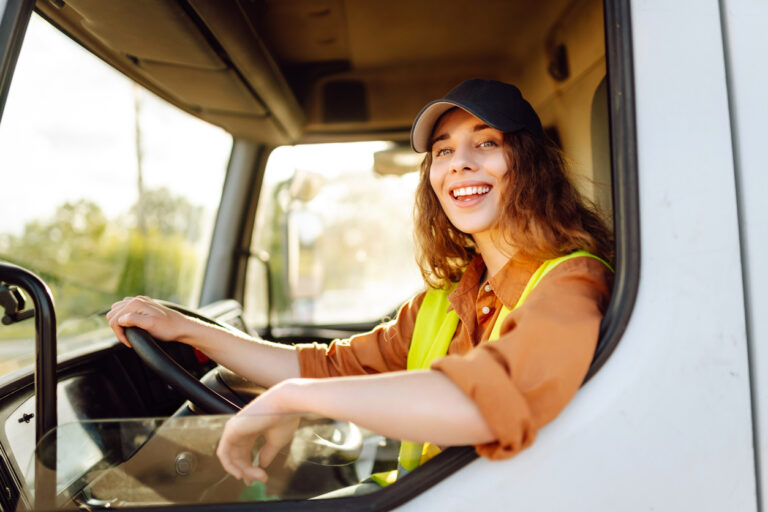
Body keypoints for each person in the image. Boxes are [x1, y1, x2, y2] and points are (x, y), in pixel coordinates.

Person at [107, 79, 614, 488]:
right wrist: (189, 331)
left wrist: (295, 400)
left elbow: (485, 401)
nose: (459, 162)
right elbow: (323, 368)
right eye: (443, 151)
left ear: (529, 164)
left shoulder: (570, 282)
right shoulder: (445, 301)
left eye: (486, 143)